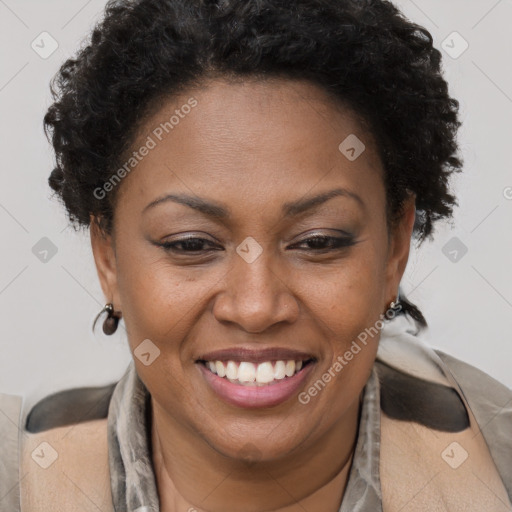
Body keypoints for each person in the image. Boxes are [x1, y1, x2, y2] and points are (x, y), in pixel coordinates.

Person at [1, 0, 511, 511]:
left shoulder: (499, 464)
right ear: (108, 258)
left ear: (394, 249)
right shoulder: (17, 479)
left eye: (318, 241)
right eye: (191, 245)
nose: (256, 307)